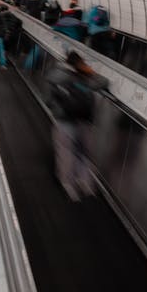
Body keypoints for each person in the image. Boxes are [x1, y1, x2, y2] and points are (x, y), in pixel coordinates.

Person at [47, 51, 108, 201]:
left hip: (65, 121)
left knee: (66, 152)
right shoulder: (84, 76)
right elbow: (103, 82)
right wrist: (89, 71)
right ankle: (85, 183)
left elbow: (49, 99)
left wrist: (57, 110)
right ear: (80, 62)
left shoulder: (56, 74)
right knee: (84, 153)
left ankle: (68, 183)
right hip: (85, 121)